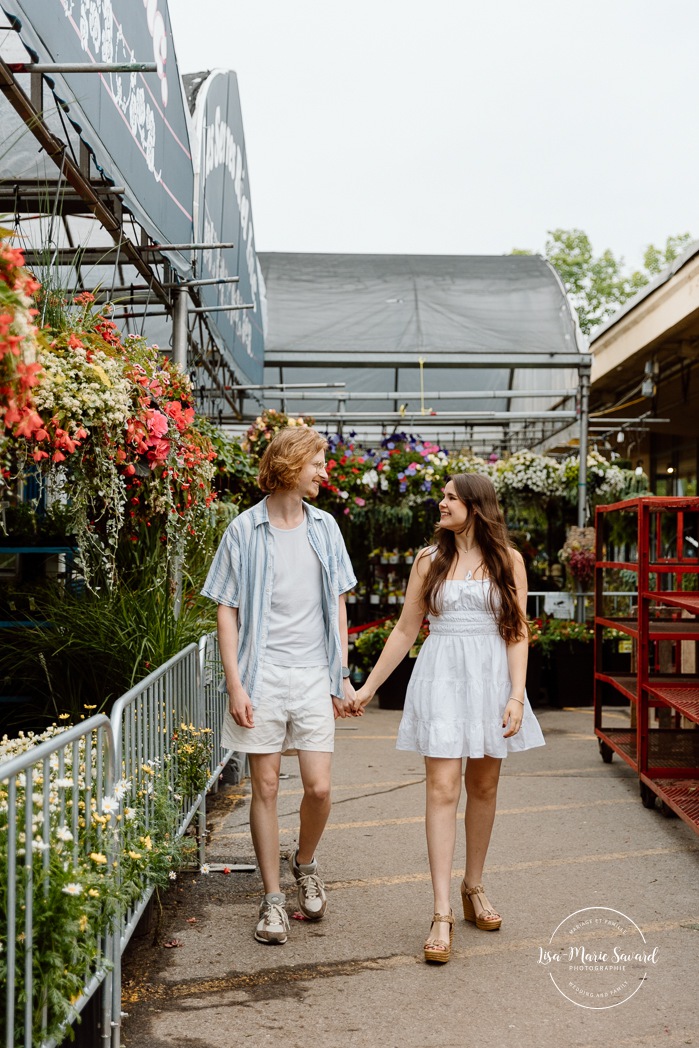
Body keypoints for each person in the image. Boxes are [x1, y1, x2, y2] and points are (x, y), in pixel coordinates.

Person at [353, 472, 544, 964]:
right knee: (441, 789)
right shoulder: (429, 560)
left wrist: (516, 695)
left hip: (491, 682)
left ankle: (473, 885)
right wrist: (368, 688)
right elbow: (404, 630)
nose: (441, 503)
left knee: (484, 786)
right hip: (441, 680)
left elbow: (516, 631)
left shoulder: (509, 561)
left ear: (476, 507)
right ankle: (441, 910)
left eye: (451, 498)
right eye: (442, 496)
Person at [202, 426, 357, 945]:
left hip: (313, 672)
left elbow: (338, 604)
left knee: (319, 787)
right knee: (264, 787)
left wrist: (341, 674)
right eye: (317, 462)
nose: (323, 471)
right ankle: (272, 901)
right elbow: (226, 609)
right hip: (261, 673)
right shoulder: (243, 530)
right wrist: (235, 684)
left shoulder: (326, 528)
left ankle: (304, 863)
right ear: (291, 465)